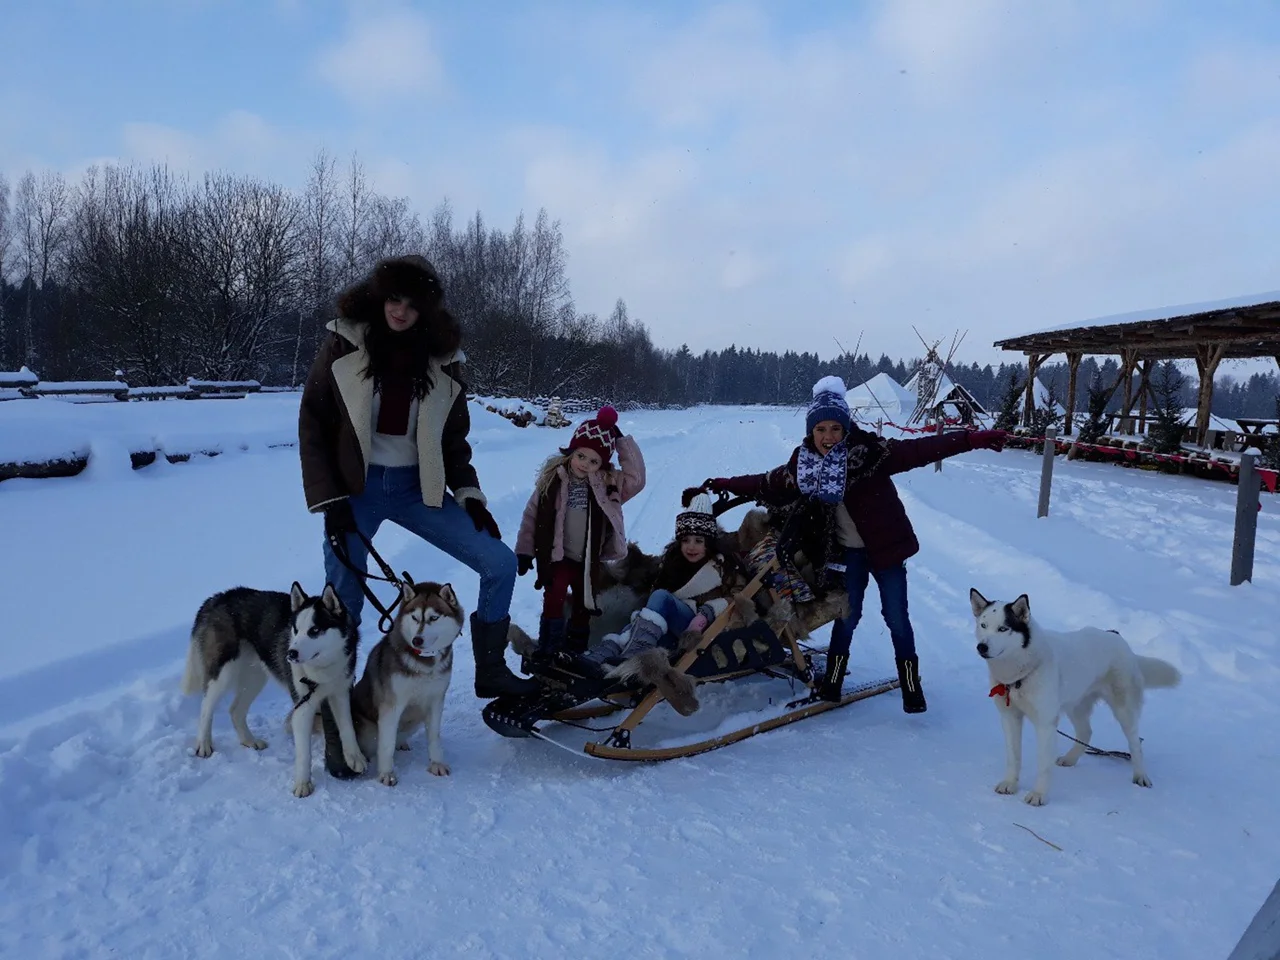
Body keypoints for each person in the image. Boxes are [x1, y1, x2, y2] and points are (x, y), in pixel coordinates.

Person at [298, 254, 539, 772]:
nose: (400, 312)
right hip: (355, 490)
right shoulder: (345, 342)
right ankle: (339, 725)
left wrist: (470, 496)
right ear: (378, 298)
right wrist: (330, 501)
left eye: (411, 303)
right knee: (343, 608)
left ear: (426, 309)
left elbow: (454, 440)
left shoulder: (444, 360)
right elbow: (313, 422)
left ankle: (491, 669)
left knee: (497, 563)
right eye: (393, 299)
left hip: (416, 488)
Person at [705, 376, 1007, 712]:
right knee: (847, 616)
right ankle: (832, 685)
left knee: (897, 618)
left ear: (846, 428)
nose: (829, 437)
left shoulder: (873, 454)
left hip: (888, 551)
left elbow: (922, 449)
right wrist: (722, 484)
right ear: (811, 432)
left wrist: (973, 438)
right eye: (821, 429)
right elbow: (764, 482)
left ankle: (911, 687)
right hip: (847, 555)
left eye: (836, 428)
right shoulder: (802, 468)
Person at [515, 405, 646, 655]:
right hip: (558, 556)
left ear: (602, 464)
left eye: (594, 461)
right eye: (581, 456)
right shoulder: (552, 481)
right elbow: (531, 516)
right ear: (571, 452)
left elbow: (636, 479)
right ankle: (549, 649)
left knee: (585, 605)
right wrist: (524, 550)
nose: (585, 464)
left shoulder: (608, 485)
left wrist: (621, 442)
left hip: (588, 560)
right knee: (554, 598)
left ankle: (575, 652)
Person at [575, 491, 742, 672]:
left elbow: (738, 597)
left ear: (708, 543)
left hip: (700, 629)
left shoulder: (723, 566)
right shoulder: (673, 563)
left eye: (698, 541)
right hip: (674, 630)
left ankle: (634, 655)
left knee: (661, 597)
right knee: (638, 621)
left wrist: (706, 613)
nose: (691, 546)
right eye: (685, 540)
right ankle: (597, 659)